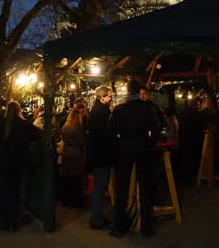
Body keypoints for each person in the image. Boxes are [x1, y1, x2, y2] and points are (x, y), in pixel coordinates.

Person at [109, 81, 162, 238]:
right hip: (143, 149)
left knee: (122, 188)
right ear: (139, 92)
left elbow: (110, 131)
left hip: (125, 149)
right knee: (145, 188)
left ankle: (118, 227)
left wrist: (120, 144)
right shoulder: (147, 108)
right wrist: (148, 143)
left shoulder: (119, 110)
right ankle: (146, 227)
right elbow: (156, 129)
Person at [0, 101, 41, 232]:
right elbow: (40, 135)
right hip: (17, 164)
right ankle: (12, 223)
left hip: (0, 165)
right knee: (14, 192)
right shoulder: (24, 125)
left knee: (2, 193)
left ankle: (4, 222)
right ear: (19, 110)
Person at [86, 86, 115, 229]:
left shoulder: (97, 112)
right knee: (100, 187)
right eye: (109, 96)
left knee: (100, 186)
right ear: (102, 97)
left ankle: (97, 217)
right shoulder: (100, 114)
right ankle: (96, 220)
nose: (111, 98)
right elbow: (104, 136)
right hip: (101, 156)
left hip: (99, 155)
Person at [59, 98, 88, 208]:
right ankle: (77, 200)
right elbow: (82, 141)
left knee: (68, 178)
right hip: (76, 153)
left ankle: (67, 199)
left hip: (67, 152)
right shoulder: (78, 127)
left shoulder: (66, 126)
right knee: (76, 178)